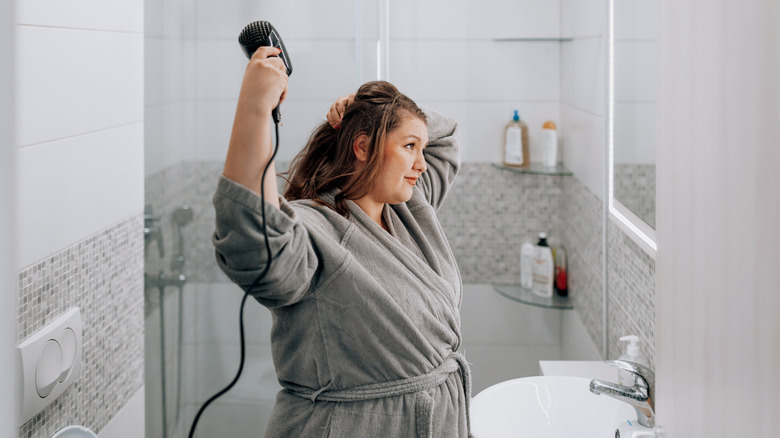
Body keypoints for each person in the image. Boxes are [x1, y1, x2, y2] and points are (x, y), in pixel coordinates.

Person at [212, 46, 470, 437]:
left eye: (421, 148)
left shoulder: (409, 208)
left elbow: (446, 136)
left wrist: (367, 110)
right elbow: (255, 240)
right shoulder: (314, 229)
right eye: (409, 147)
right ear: (363, 147)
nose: (421, 162)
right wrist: (255, 108)